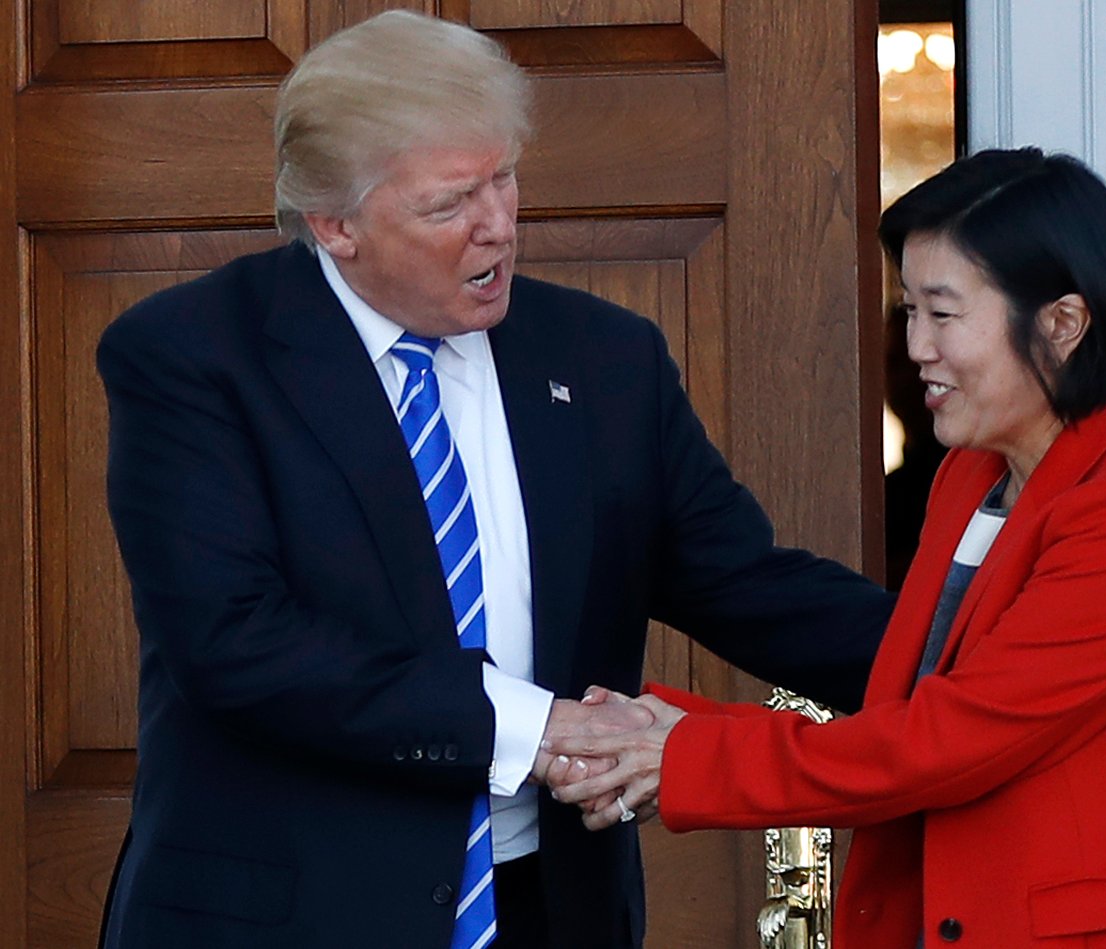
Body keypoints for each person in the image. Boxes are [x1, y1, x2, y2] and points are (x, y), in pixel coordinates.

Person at [94, 10, 894, 949]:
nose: (500, 227)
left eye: (505, 179)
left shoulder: (602, 358)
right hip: (291, 914)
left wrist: (972, 653)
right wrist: (540, 725)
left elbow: (744, 581)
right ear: (334, 225)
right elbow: (236, 642)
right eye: (450, 204)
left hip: (551, 911)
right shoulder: (193, 359)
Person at [549, 148, 1106, 947]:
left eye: (942, 314)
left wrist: (686, 753)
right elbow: (901, 711)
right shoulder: (970, 474)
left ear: (1062, 323)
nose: (915, 347)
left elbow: (942, 742)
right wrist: (669, 724)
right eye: (909, 310)